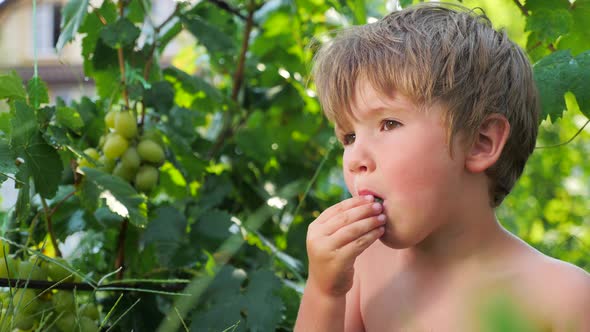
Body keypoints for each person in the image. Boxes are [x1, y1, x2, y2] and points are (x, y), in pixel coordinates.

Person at [295, 3, 590, 331]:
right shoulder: (364, 270)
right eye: (349, 136)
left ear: (480, 142)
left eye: (389, 123)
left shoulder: (562, 297)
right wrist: (325, 292)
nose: (354, 158)